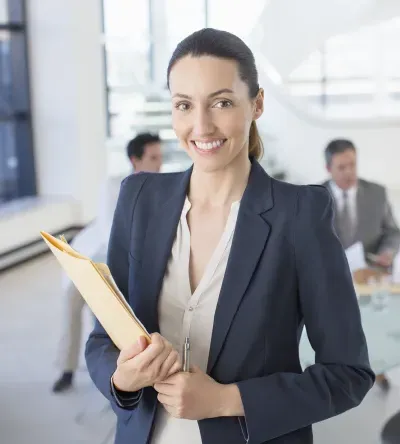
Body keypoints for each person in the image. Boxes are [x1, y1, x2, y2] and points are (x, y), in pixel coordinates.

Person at [85, 29, 374, 444]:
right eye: (184, 105)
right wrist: (123, 377)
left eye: (221, 102)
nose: (200, 125)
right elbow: (101, 338)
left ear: (256, 104)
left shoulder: (300, 215)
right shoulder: (139, 199)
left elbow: (349, 374)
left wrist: (226, 399)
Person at [52, 133, 162, 393]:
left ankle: (108, 373)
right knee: (71, 307)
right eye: (153, 157)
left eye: (161, 157)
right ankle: (66, 370)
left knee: (105, 322)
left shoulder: (160, 188)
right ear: (135, 160)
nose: (159, 163)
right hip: (87, 258)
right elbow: (110, 229)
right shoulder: (115, 185)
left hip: (118, 266)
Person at [322, 138, 400, 391]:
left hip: (370, 275)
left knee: (376, 322)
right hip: (331, 277)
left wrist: (388, 252)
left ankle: (376, 367)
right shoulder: (313, 196)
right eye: (341, 167)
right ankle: (341, 370)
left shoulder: (376, 192)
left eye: (352, 165)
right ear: (328, 169)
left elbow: (392, 232)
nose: (349, 173)